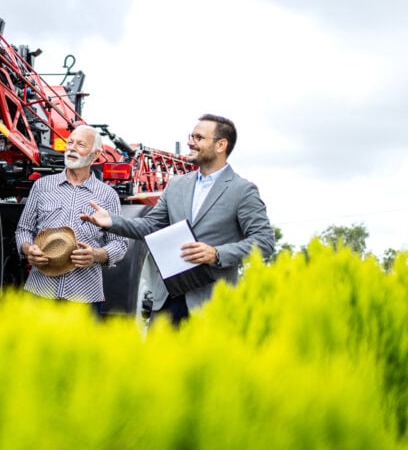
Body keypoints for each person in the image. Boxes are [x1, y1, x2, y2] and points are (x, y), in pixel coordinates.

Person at [80, 114, 274, 326]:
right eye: (191, 136)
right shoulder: (176, 185)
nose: (191, 142)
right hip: (167, 302)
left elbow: (264, 242)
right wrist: (112, 221)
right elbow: (150, 226)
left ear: (221, 145)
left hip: (212, 305)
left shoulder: (242, 190)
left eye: (199, 137)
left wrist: (216, 254)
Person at [15, 124, 129, 315]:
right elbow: (23, 229)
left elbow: (120, 244)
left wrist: (96, 255)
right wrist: (28, 249)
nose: (72, 148)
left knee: (78, 347)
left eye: (80, 145)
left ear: (95, 155)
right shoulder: (42, 186)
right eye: (70, 143)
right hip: (39, 291)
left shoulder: (108, 195)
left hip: (84, 297)